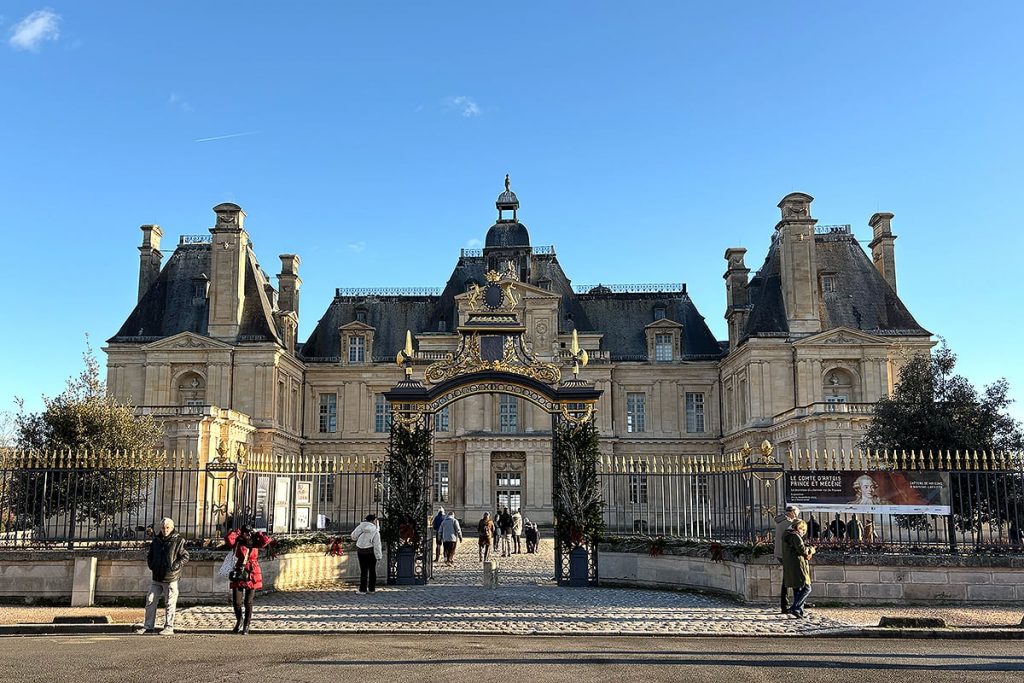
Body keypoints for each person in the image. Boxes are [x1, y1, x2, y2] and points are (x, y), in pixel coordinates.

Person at [135, 517, 189, 635]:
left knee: (169, 603)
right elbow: (150, 555)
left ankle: (169, 627)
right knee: (150, 600)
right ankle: (148, 626)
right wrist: (152, 565)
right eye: (163, 528)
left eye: (167, 527)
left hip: (171, 577)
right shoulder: (156, 540)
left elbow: (185, 556)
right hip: (157, 576)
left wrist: (174, 567)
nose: (165, 530)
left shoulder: (178, 540)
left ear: (172, 528)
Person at [224, 525, 272, 634]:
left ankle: (247, 625)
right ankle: (239, 620)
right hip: (239, 572)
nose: (247, 535)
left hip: (252, 573)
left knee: (248, 602)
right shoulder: (238, 541)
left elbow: (266, 540)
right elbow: (228, 539)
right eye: (246, 533)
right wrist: (238, 532)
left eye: (249, 533)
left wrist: (257, 533)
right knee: (236, 601)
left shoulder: (255, 541)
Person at [782, 519, 816, 619]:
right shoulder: (795, 536)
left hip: (791, 564)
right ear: (799, 528)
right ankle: (795, 608)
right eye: (803, 530)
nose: (803, 532)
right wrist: (811, 549)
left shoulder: (786, 534)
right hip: (798, 564)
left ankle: (799, 611)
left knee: (798, 588)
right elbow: (802, 550)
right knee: (807, 587)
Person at [772, 505, 799, 614]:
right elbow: (799, 532)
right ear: (792, 512)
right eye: (796, 513)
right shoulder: (788, 523)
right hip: (786, 554)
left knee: (791, 577)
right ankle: (787, 604)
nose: (797, 515)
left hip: (780, 553)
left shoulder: (780, 520)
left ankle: (796, 602)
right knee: (789, 579)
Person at [351, 514, 383, 593]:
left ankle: (362, 589)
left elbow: (353, 536)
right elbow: (377, 545)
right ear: (373, 521)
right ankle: (371, 589)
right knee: (372, 570)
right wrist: (378, 556)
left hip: (361, 551)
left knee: (363, 571)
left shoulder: (361, 526)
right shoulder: (375, 531)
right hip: (371, 552)